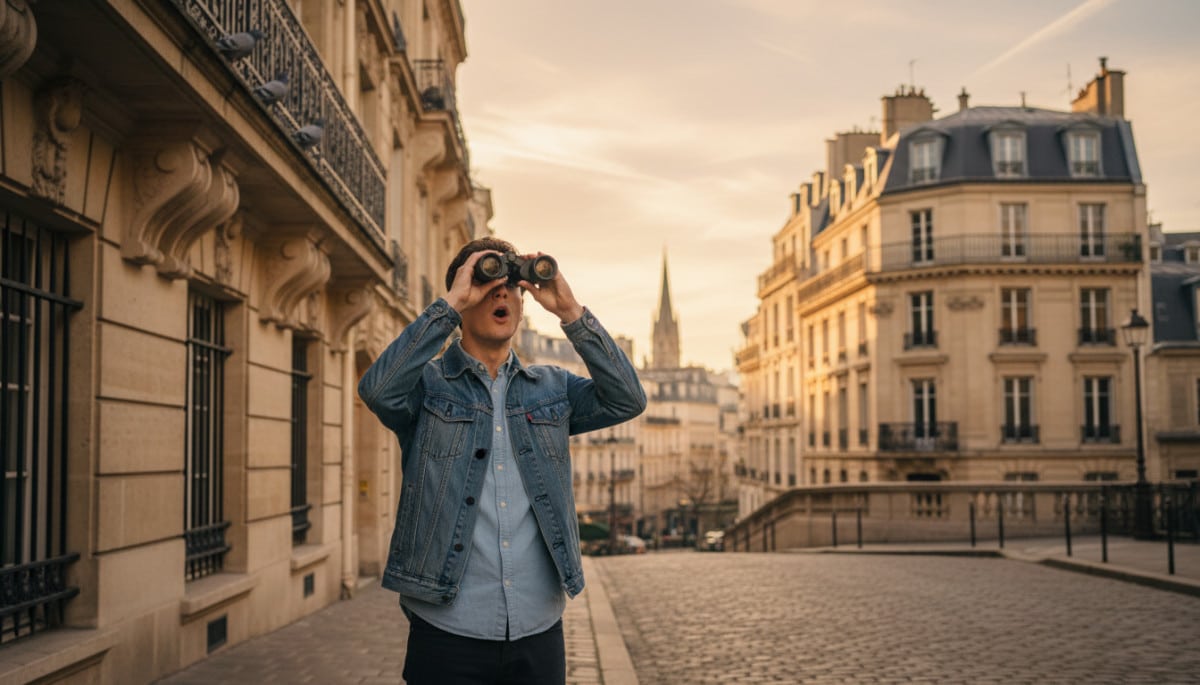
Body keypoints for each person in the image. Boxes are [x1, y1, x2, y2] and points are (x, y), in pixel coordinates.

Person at [358, 237, 646, 684]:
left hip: (537, 628)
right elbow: (378, 390)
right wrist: (449, 305)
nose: (502, 293)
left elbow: (627, 399)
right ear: (464, 293)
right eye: (487, 280)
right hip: (446, 627)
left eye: (512, 285)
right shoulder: (427, 388)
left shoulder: (553, 388)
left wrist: (570, 311)